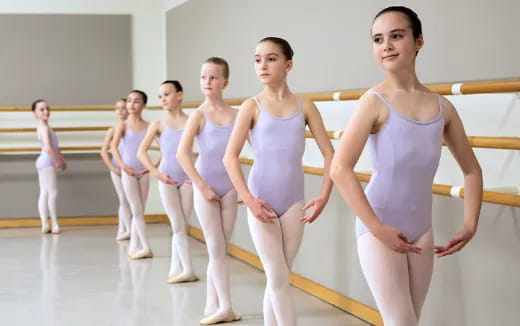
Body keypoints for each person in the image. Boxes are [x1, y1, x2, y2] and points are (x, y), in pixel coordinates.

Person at [329, 6, 483, 325]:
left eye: (396, 36)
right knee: (401, 321)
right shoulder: (373, 102)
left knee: (411, 320)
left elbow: (472, 170)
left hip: (422, 230)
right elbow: (340, 168)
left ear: (418, 42)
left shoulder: (444, 107)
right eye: (378, 39)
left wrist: (470, 225)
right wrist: (376, 228)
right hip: (379, 226)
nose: (386, 45)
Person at [223, 37, 334, 326]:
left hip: (294, 201)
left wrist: (324, 195)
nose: (262, 65)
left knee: (281, 275)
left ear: (288, 65)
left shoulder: (305, 106)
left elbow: (330, 154)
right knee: (277, 275)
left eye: (271, 58)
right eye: (258, 59)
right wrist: (248, 198)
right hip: (261, 198)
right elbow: (230, 157)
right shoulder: (251, 106)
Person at [177, 57, 240, 325]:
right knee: (215, 247)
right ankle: (225, 307)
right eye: (203, 77)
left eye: (213, 77)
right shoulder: (198, 115)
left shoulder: (237, 115)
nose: (207, 82)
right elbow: (182, 155)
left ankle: (211, 303)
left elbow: (256, 150)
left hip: (231, 189)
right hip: (206, 188)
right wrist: (201, 186)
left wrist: (247, 189)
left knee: (221, 248)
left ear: (225, 82)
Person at [137, 80, 198, 283]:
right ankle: (187, 269)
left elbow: (205, 148)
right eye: (160, 96)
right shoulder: (158, 124)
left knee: (181, 225)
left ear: (179, 95)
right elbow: (141, 152)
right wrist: (157, 173)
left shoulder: (192, 121)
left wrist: (197, 176)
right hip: (167, 179)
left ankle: (175, 267)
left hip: (188, 180)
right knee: (177, 224)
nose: (163, 99)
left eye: (167, 94)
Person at [111, 90, 152, 259]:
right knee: (136, 210)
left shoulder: (149, 126)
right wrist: (123, 167)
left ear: (144, 105)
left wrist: (152, 166)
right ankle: (146, 246)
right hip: (128, 172)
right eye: (129, 100)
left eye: (136, 101)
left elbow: (164, 146)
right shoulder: (123, 125)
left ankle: (134, 246)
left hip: (143, 172)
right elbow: (113, 147)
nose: (131, 104)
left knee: (140, 210)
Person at [33, 99, 67, 234]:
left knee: (44, 192)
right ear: (35, 113)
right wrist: (57, 161)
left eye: (47, 109)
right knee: (52, 193)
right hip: (47, 162)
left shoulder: (45, 127)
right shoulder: (44, 127)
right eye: (42, 110)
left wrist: (61, 158)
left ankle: (45, 224)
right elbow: (48, 147)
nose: (46, 111)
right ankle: (54, 223)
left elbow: (55, 147)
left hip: (42, 161)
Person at [100, 99, 131, 240]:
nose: (120, 111)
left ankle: (124, 228)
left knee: (130, 200)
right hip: (118, 168)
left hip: (130, 168)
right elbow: (104, 151)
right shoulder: (113, 129)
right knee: (123, 199)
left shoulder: (132, 128)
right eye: (117, 108)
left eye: (123, 108)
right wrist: (113, 168)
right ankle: (126, 229)